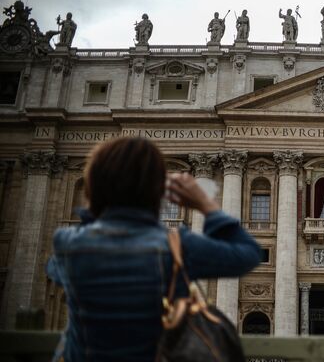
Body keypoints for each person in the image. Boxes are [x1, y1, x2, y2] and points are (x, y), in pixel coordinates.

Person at [46, 137, 261, 361]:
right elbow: (247, 254)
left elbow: (53, 271)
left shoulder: (67, 244)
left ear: (91, 188)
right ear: (158, 192)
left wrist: (98, 210)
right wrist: (207, 206)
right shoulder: (176, 246)